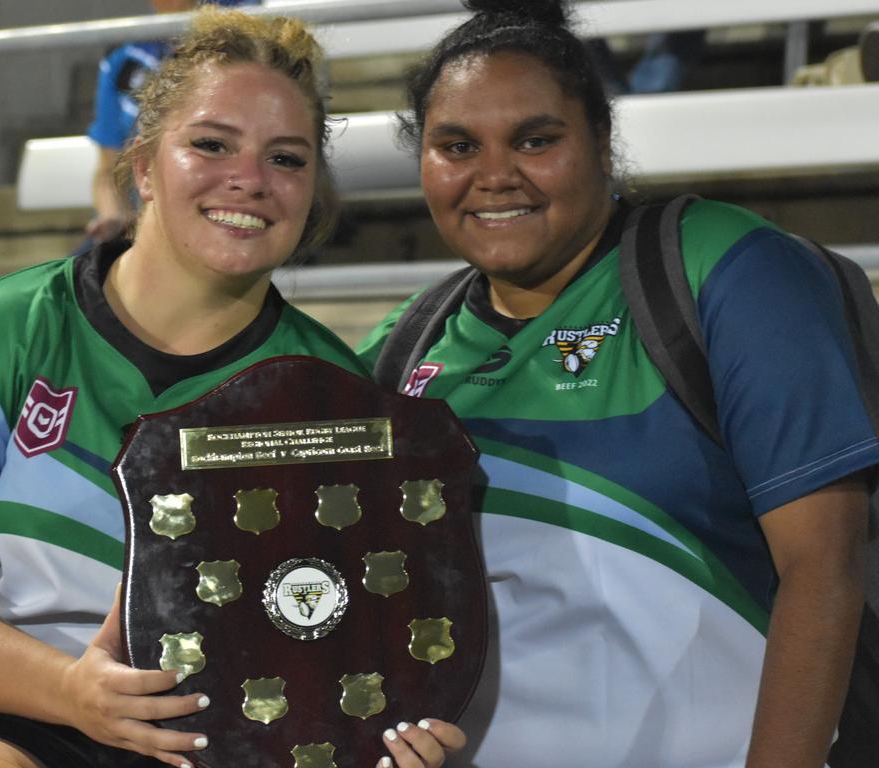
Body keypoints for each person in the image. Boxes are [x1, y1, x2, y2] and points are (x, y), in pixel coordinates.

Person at [0, 7, 456, 768]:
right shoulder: (8, 329)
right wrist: (76, 692)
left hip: (239, 736)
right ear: (143, 164)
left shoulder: (330, 390)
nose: (248, 179)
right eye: (211, 144)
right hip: (21, 713)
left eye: (287, 158)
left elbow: (348, 632)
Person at [357, 1, 878, 766]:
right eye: (457, 145)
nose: (495, 175)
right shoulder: (401, 352)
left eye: (536, 140)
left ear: (601, 143)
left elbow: (823, 571)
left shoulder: (723, 271)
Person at [85, 0, 260, 245]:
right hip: (149, 230)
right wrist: (115, 217)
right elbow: (107, 173)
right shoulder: (124, 57)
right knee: (75, 276)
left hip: (231, 215)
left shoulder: (255, 31)